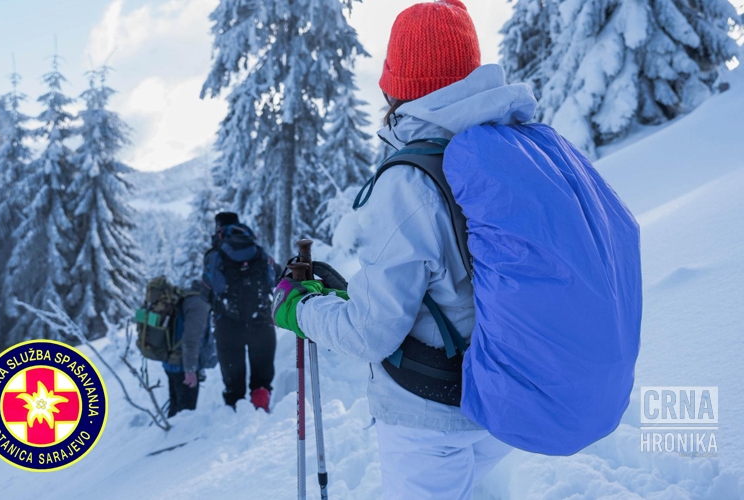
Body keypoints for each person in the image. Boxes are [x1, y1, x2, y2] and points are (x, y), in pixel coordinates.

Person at [273, 1, 530, 498]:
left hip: (430, 419)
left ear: (399, 84)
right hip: (499, 395)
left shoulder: (410, 181)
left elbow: (372, 333)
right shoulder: (508, 145)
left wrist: (299, 310)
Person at [203, 212, 278, 411]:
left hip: (228, 321)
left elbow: (208, 284)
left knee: (232, 370)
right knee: (262, 371)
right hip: (260, 319)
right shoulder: (256, 250)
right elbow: (273, 278)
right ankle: (261, 403)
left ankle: (236, 409)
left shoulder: (215, 254)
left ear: (218, 228)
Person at [162, 280, 213, 418]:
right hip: (182, 366)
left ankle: (169, 435)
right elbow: (191, 339)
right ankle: (180, 439)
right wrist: (190, 370)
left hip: (172, 362)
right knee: (184, 415)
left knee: (175, 408)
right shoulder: (199, 304)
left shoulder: (190, 296)